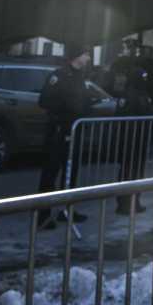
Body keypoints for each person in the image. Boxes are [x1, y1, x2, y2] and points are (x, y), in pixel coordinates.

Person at [36, 45, 92, 229]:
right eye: (86, 54)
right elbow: (44, 100)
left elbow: (83, 102)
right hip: (58, 132)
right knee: (50, 174)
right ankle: (43, 216)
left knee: (71, 173)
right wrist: (66, 107)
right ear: (77, 56)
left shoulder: (80, 77)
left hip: (74, 132)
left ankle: (67, 210)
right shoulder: (58, 75)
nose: (89, 58)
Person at [116, 62, 151, 214]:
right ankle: (124, 202)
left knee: (137, 171)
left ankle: (134, 200)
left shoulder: (143, 94)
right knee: (128, 170)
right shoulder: (128, 94)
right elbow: (124, 117)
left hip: (140, 139)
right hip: (130, 139)